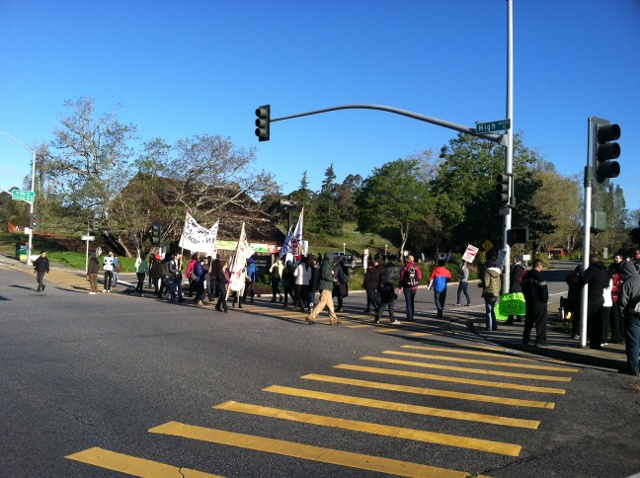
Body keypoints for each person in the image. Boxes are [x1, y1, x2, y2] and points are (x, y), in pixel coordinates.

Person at [580, 254, 609, 349]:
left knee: (588, 319)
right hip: (600, 297)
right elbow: (606, 284)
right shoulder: (603, 269)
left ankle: (592, 340)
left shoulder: (591, 269)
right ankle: (598, 340)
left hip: (592, 297)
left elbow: (584, 280)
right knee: (598, 320)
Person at [617, 260, 640, 376]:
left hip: (633, 316)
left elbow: (622, 303)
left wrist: (622, 316)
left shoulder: (628, 283)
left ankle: (633, 368)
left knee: (633, 343)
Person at [306, 253, 340, 326]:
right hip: (325, 287)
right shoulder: (326, 265)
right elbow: (324, 275)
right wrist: (332, 279)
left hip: (327, 287)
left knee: (330, 305)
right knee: (321, 304)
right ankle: (310, 317)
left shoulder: (326, 264)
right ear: (329, 258)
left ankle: (333, 320)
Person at [522, 259, 549, 347]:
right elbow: (544, 291)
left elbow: (523, 288)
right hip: (539, 302)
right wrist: (544, 300)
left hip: (529, 301)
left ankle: (526, 338)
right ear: (539, 266)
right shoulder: (540, 276)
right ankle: (540, 339)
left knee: (529, 321)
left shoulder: (526, 276)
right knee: (540, 321)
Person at [399, 254, 422, 322]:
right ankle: (412, 314)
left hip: (407, 287)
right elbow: (420, 277)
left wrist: (400, 287)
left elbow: (401, 278)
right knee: (412, 301)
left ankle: (409, 316)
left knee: (408, 302)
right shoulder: (416, 267)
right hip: (414, 287)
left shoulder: (405, 267)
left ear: (407, 260)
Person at [481, 258, 501, 331]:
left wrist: (482, 283)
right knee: (492, 310)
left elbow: (486, 284)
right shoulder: (498, 273)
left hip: (488, 293)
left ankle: (489, 327)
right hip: (495, 294)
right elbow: (499, 284)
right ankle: (495, 326)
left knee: (488, 311)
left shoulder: (487, 273)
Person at [505, 255, 526, 324]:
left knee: (512, 304)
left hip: (515, 288)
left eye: (514, 258)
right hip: (520, 288)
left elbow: (515, 280)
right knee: (517, 303)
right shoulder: (521, 267)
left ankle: (510, 319)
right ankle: (520, 318)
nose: (513, 259)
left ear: (517, 259)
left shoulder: (517, 268)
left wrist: (512, 289)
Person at [566, 265, 583, 340]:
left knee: (575, 316)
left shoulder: (572, 277)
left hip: (572, 298)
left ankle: (574, 332)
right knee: (579, 317)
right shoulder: (580, 278)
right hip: (579, 298)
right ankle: (578, 333)